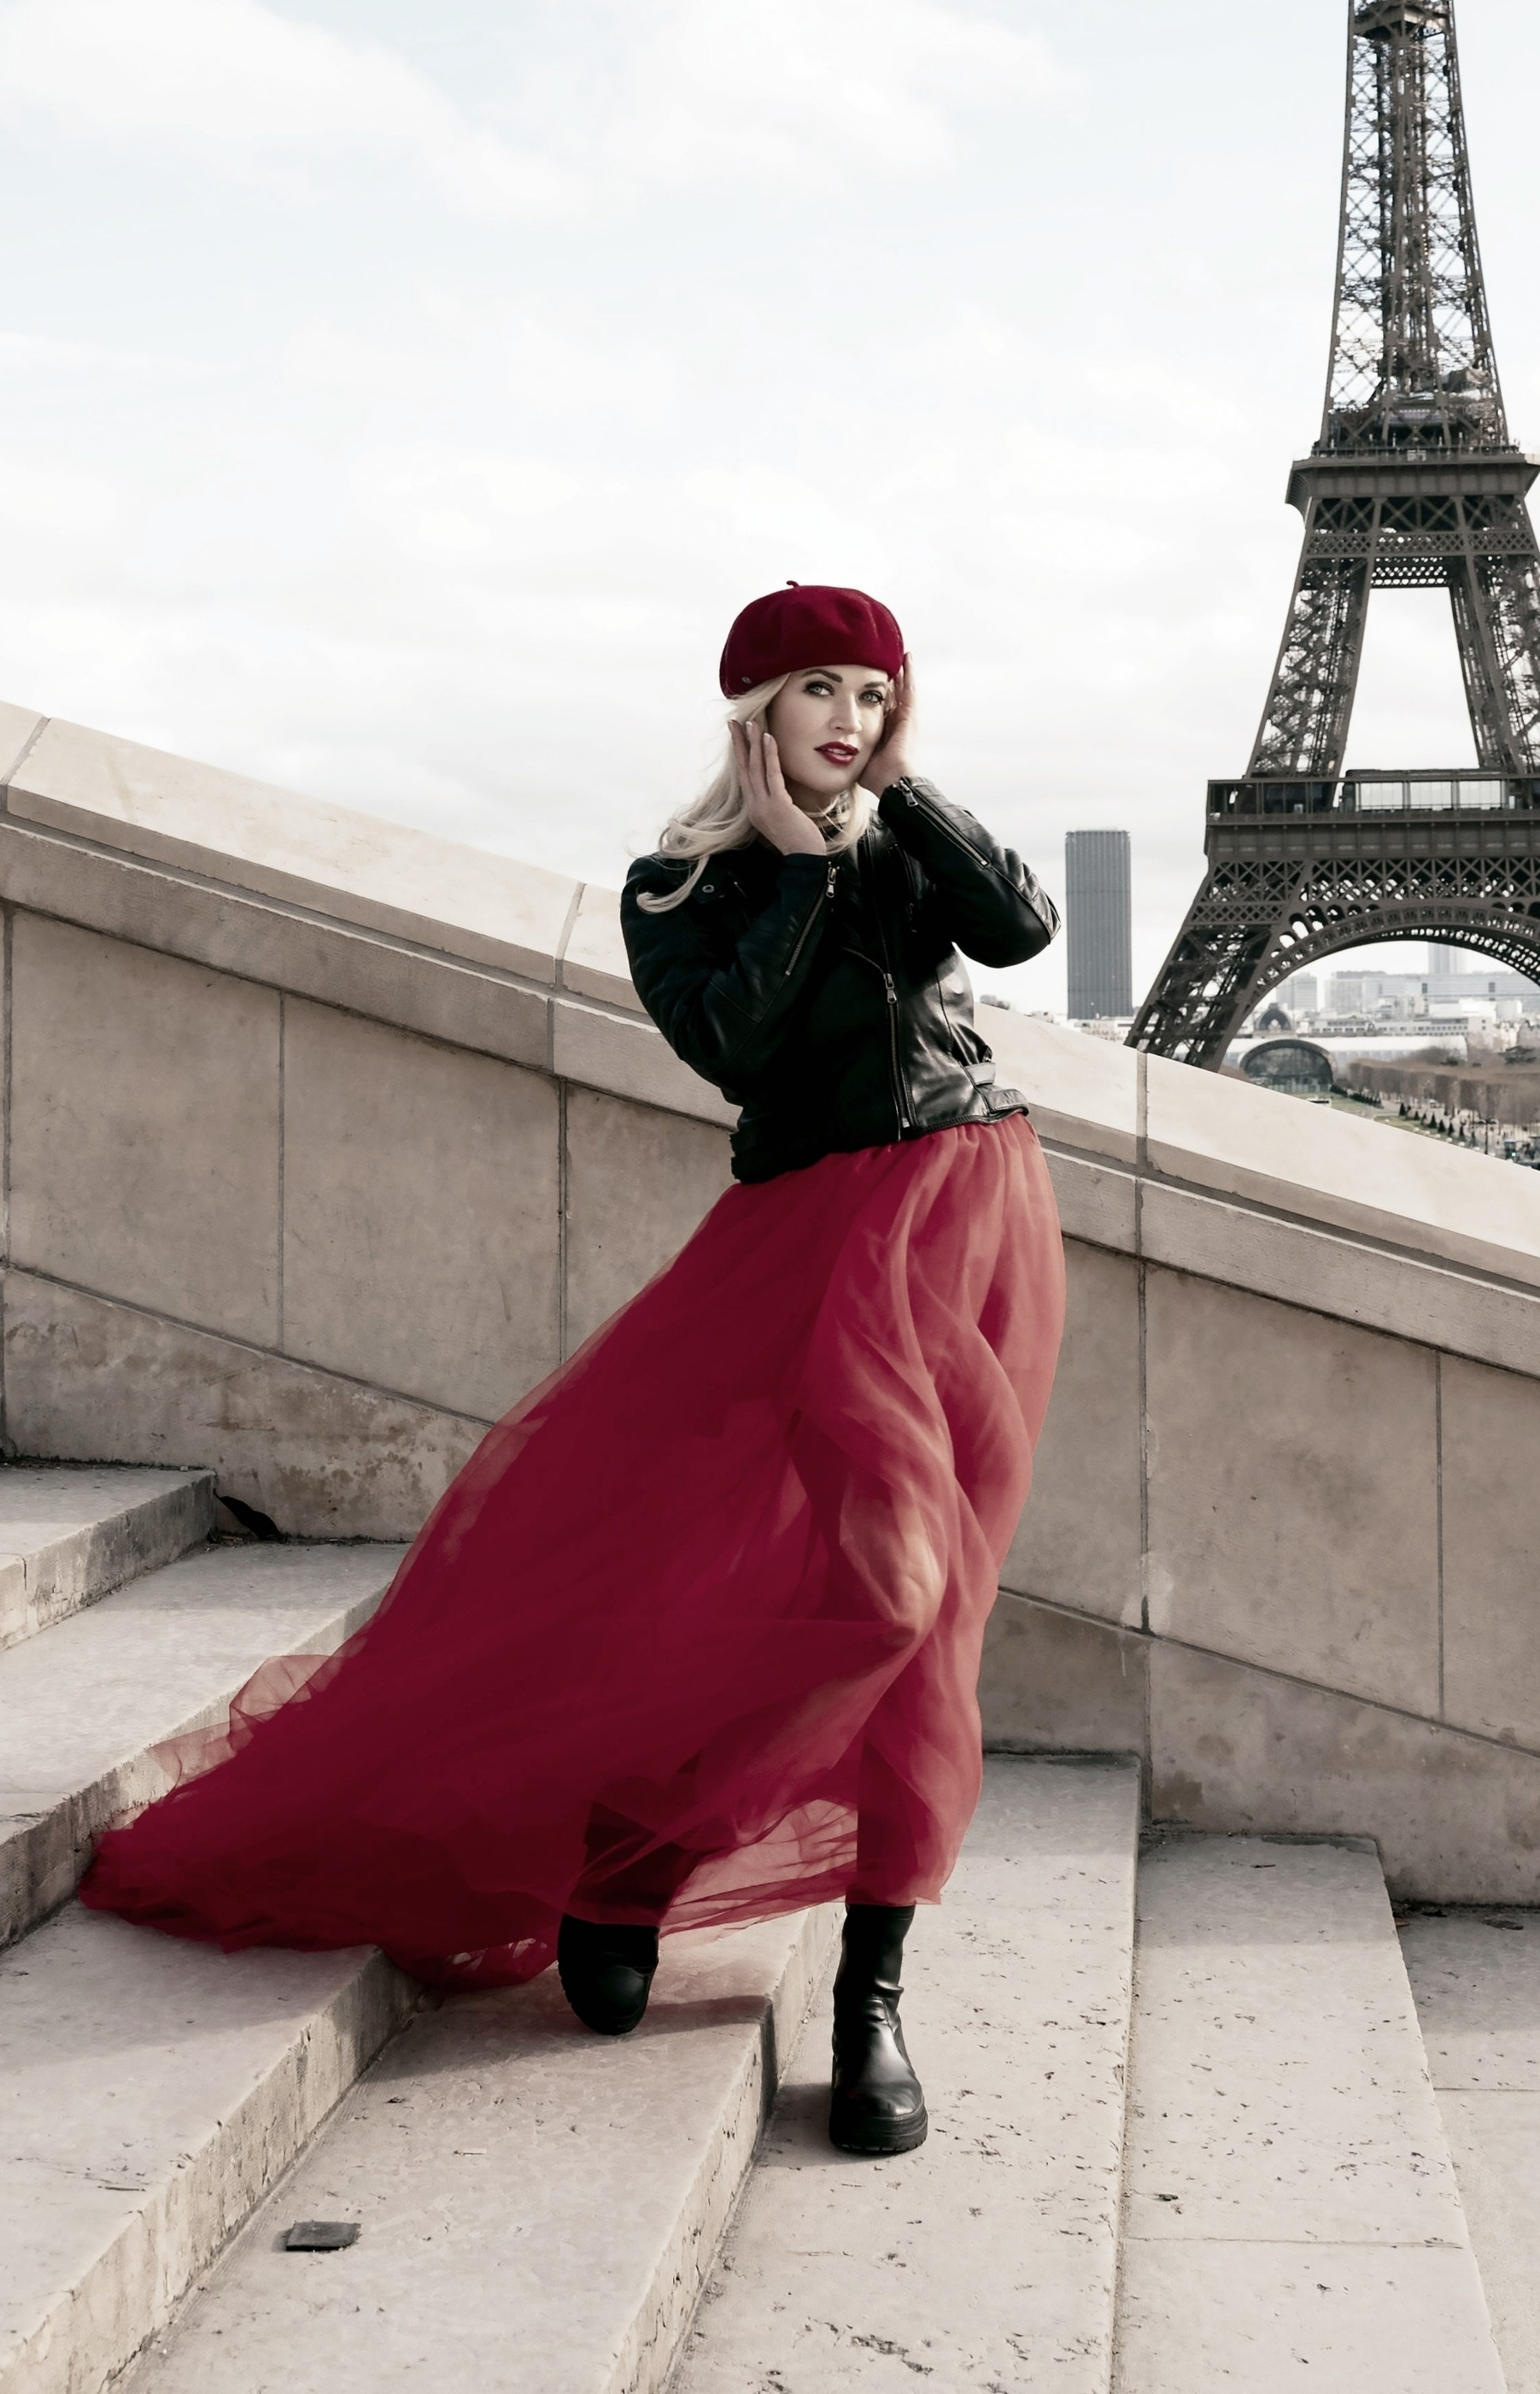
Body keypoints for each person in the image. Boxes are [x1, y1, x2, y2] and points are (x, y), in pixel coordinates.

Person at [80, 583, 1065, 2163]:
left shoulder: (906, 836)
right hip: (819, 1248)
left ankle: (869, 1996)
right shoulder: (680, 886)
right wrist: (806, 868)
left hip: (980, 1217)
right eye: (818, 692)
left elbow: (1019, 928)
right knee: (884, 1595)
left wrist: (898, 800)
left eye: (873, 696)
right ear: (752, 709)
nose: (849, 722)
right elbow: (740, 1047)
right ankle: (635, 1848)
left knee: (940, 1624)